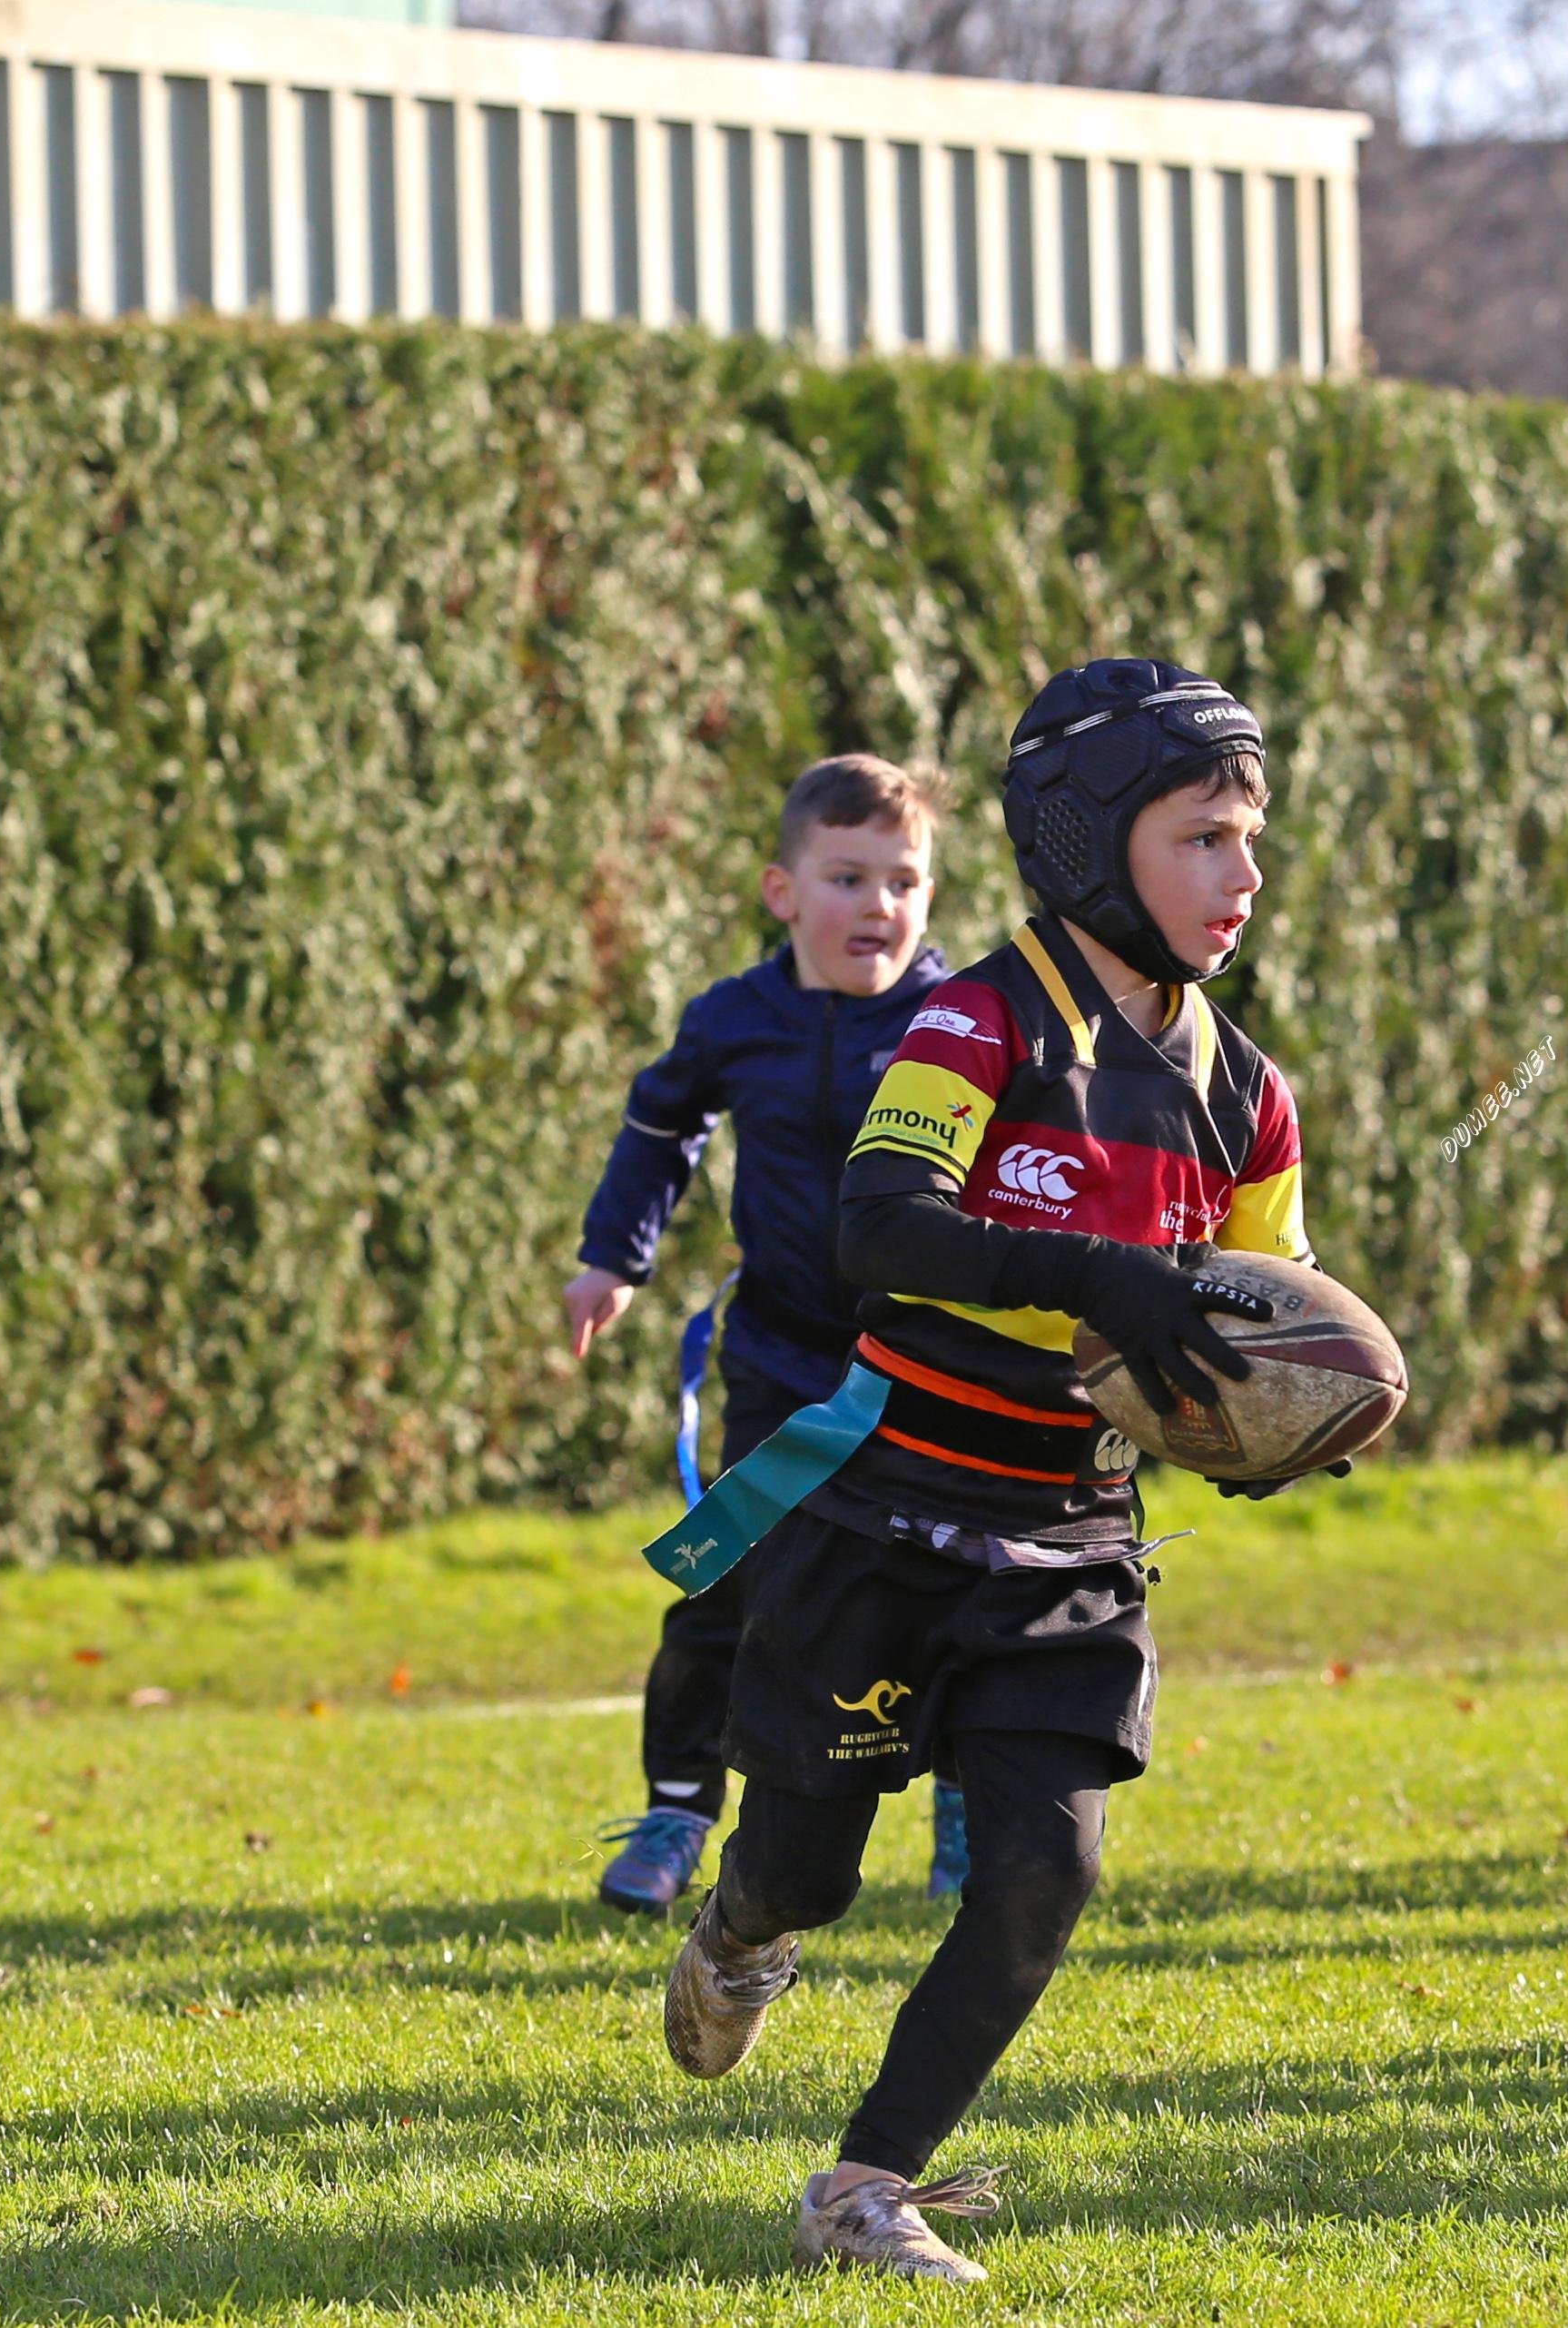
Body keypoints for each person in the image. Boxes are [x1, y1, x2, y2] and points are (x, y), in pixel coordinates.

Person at [646, 659, 1334, 2281]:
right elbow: (872, 1228)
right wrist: (1097, 1270)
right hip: (883, 1512)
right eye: (1206, 837)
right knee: (806, 1862)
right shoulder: (978, 1017)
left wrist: (1268, 1426)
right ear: (1093, 843)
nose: (1244, 878)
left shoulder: (1248, 1093)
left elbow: (1252, 1312)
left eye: (1253, 838)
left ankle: (868, 2180)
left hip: (1075, 1534)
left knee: (1050, 1863)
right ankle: (742, 1931)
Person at [567, 754, 968, 1916]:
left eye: (906, 879)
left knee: (944, 1592)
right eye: (847, 877)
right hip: (784, 1363)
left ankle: (963, 1812)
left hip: (931, 1368)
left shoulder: (962, 1023)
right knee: (726, 1582)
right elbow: (661, 1119)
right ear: (782, 891)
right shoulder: (734, 1020)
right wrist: (614, 1257)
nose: (880, 905)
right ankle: (676, 1809)